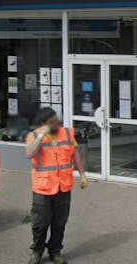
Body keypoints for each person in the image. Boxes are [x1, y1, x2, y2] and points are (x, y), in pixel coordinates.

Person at [25, 108, 88, 264]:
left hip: (63, 186)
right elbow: (30, 154)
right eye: (52, 121)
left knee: (59, 222)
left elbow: (75, 154)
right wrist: (41, 135)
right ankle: (37, 252)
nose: (56, 123)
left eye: (56, 119)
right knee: (40, 223)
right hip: (43, 188)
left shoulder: (66, 133)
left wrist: (82, 174)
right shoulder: (33, 135)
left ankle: (55, 252)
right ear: (43, 124)